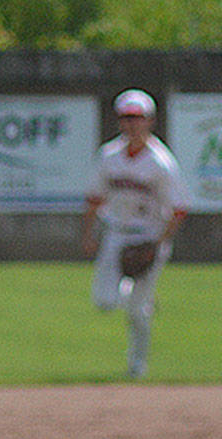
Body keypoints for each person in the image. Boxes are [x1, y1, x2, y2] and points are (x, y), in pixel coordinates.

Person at [80, 89, 189, 379]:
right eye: (126, 118)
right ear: (119, 122)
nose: (132, 125)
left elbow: (179, 209)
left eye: (137, 118)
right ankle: (130, 292)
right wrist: (89, 234)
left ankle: (137, 366)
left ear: (149, 121)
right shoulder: (108, 156)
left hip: (150, 235)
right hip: (115, 233)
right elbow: (93, 198)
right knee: (104, 302)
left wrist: (159, 245)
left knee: (138, 312)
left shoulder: (161, 162)